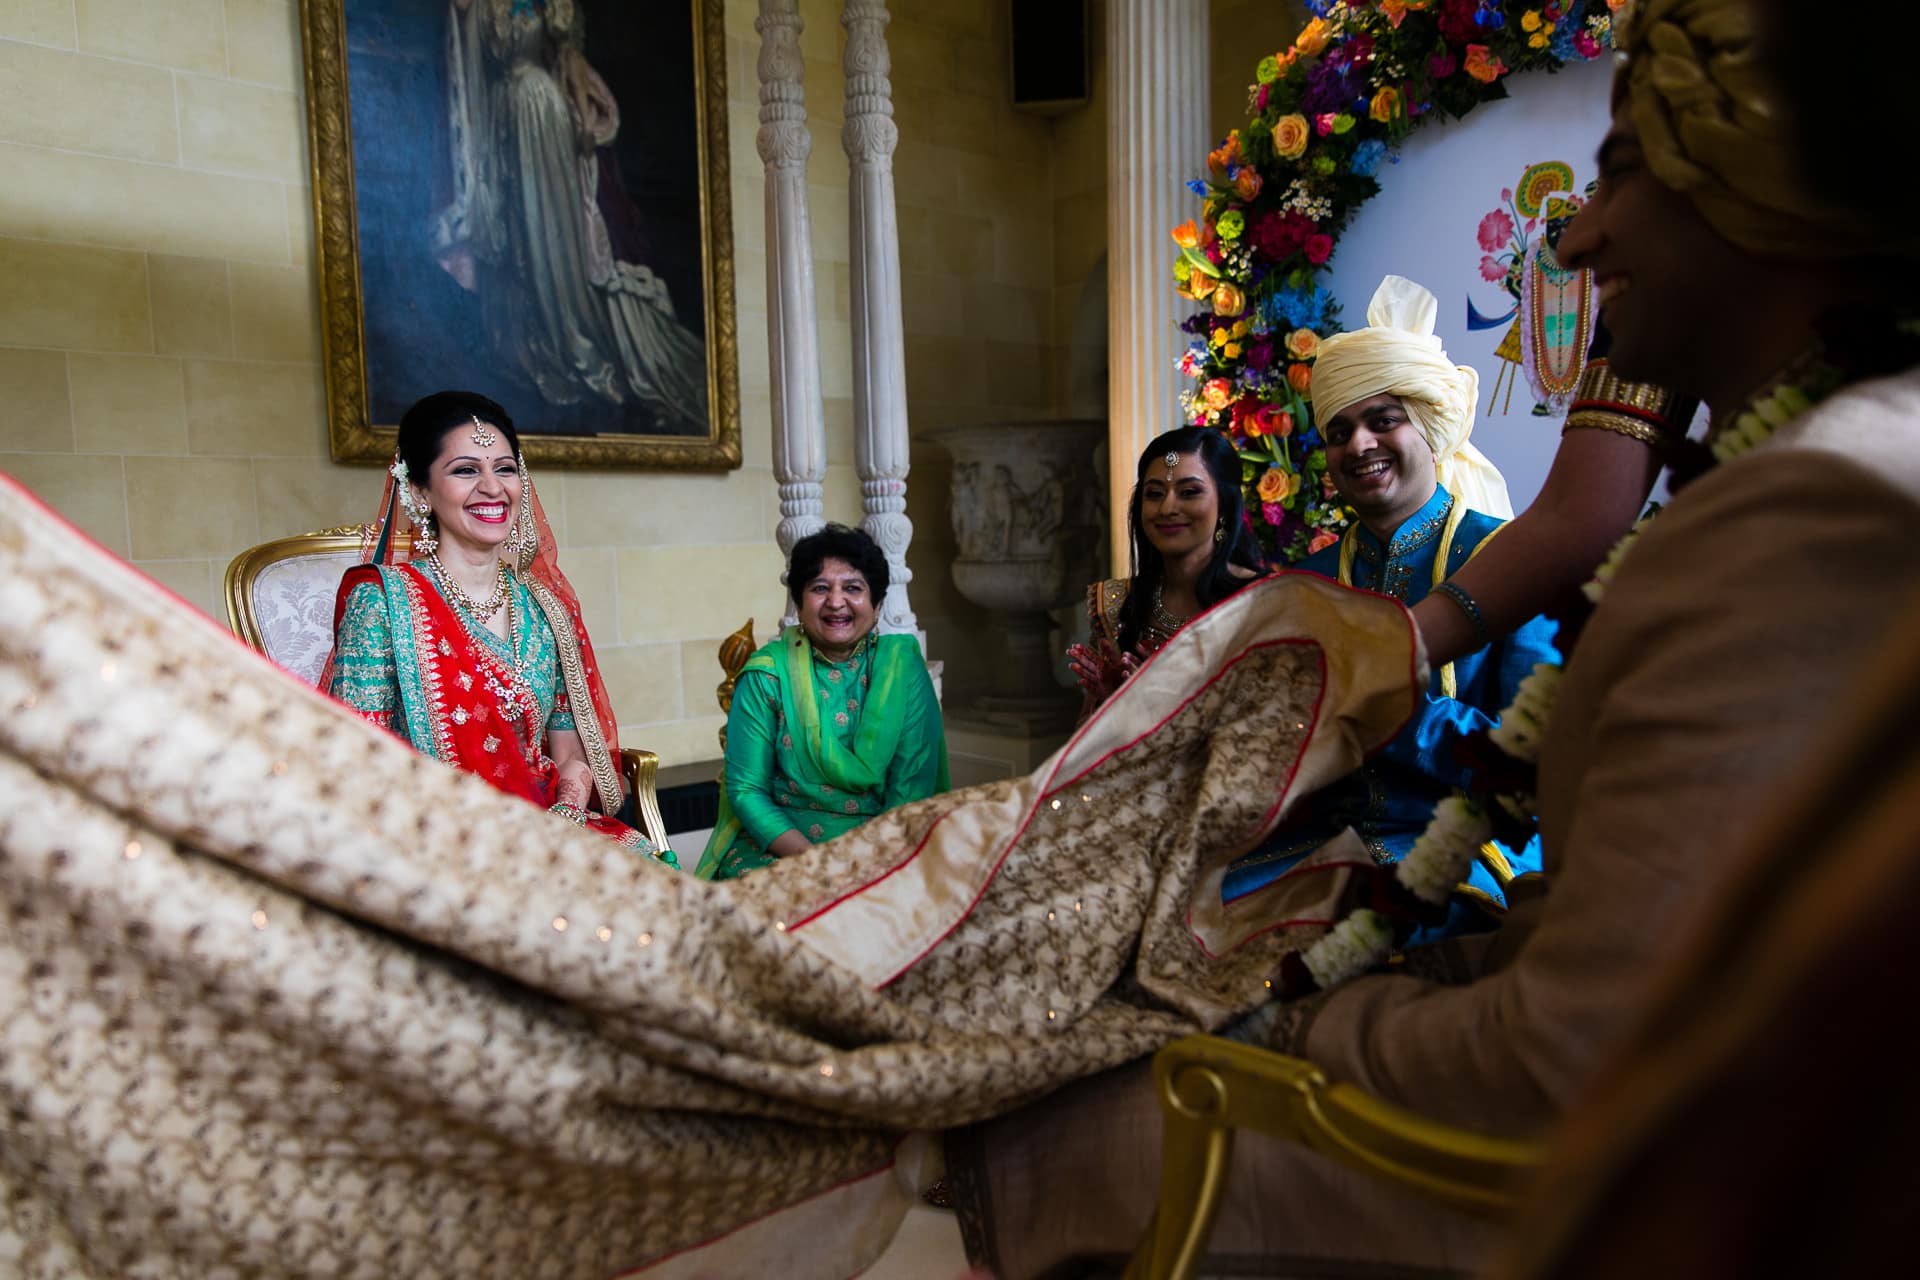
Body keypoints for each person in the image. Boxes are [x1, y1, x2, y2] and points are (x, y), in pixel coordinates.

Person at [947, 0, 1920, 1272]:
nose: (1576, 230)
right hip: (1340, 855)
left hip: (1447, 895)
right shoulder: (1327, 565)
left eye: (1620, 169)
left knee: (1065, 1087)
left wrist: (1309, 1016)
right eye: (1341, 430)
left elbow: (1572, 1008)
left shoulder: (1790, 511)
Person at [1223, 276, 1561, 923]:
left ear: (1430, 430)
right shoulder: (1313, 580)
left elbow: (1534, 767)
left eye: (1383, 422)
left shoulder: (1510, 562)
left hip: (1465, 843)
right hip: (1318, 839)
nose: (1359, 446)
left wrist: (1384, 708)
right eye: (1340, 430)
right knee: (1182, 914)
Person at [324, 389, 676, 865]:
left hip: (552, 830)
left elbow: (569, 752)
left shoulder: (544, 608)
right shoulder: (384, 604)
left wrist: (564, 818)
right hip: (436, 845)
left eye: (505, 468)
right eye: (466, 470)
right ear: (420, 491)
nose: (493, 487)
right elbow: (356, 764)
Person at [434, 0, 707, 428]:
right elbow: (485, 51)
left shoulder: (552, 8)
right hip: (508, 117)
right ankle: (536, 339)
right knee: (522, 232)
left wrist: (580, 117)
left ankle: (568, 332)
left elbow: (570, 60)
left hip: (545, 112)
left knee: (553, 226)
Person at [694, 524, 949, 881]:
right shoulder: (767, 674)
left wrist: (868, 863)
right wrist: (817, 863)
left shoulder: (902, 671)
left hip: (886, 847)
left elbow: (910, 791)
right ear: (799, 604)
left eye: (853, 588)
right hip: (782, 848)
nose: (835, 601)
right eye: (819, 588)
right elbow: (747, 790)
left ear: (877, 605)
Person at [1068, 427, 1268, 716]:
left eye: (1189, 492)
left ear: (1225, 504)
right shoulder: (1116, 604)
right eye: (1154, 494)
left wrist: (1170, 703)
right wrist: (1112, 706)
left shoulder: (1261, 603)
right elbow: (1087, 744)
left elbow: (1276, 734)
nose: (1167, 507)